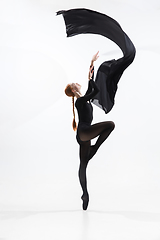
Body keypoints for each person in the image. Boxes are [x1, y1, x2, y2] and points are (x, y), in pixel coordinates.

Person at [65, 51, 115, 210]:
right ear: (73, 90)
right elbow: (94, 92)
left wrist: (91, 66)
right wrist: (89, 79)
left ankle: (84, 194)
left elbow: (91, 90)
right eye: (75, 83)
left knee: (83, 164)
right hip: (84, 132)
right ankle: (94, 149)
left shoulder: (82, 99)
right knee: (110, 124)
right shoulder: (79, 102)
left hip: (84, 134)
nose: (77, 83)